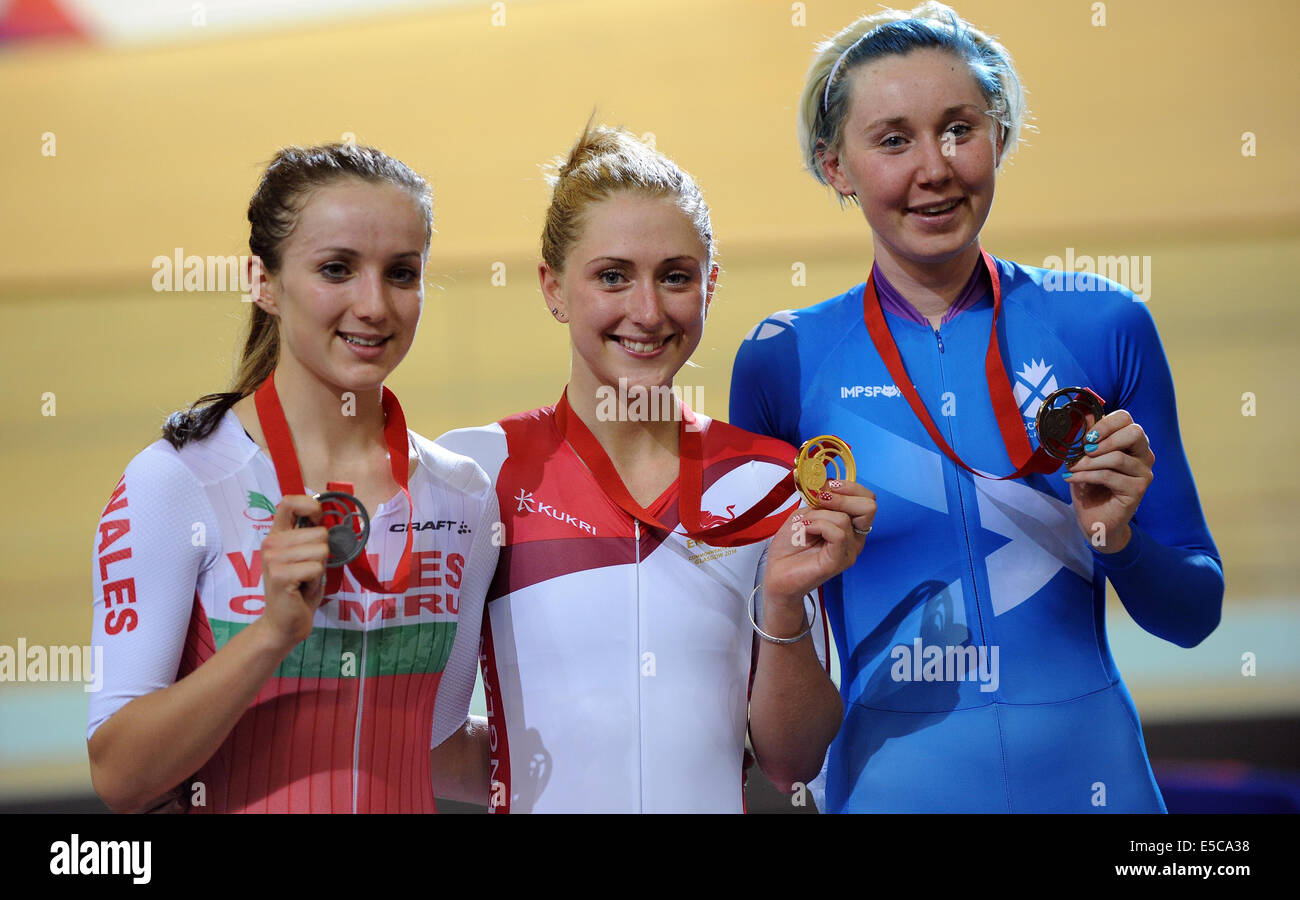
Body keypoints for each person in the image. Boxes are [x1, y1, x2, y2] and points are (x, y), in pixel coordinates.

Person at [730, 2, 1223, 813]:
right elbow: (771, 703)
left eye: (959, 129)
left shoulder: (1102, 324)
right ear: (836, 167)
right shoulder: (782, 362)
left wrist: (1119, 539)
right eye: (894, 140)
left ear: (1000, 136)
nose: (936, 167)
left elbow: (1193, 617)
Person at [438, 124, 875, 813]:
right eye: (612, 276)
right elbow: (422, 737)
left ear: (709, 286)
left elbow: (794, 763)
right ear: (553, 287)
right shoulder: (476, 472)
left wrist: (783, 603)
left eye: (675, 277)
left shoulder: (768, 483)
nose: (646, 312)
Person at [87, 144, 499, 813]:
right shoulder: (177, 482)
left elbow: (440, 745)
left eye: (401, 273)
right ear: (264, 282)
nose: (374, 305)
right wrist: (271, 634)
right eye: (336, 269)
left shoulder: (465, 496)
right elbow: (120, 776)